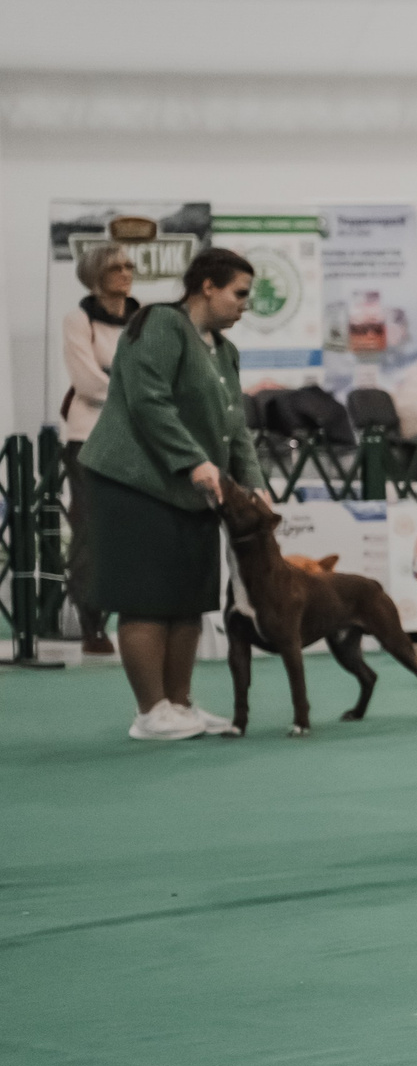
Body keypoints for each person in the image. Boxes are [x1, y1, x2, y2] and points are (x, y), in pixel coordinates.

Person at [73, 247, 265, 740]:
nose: (246, 304)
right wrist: (195, 461)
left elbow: (234, 428)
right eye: (239, 293)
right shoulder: (159, 324)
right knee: (146, 599)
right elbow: (147, 400)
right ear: (207, 287)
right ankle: (149, 713)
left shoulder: (224, 351)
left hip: (192, 486)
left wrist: (256, 486)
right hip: (134, 482)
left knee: (187, 598)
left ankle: (179, 706)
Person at [61, 242, 144, 654]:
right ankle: (91, 621)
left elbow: (159, 372)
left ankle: (133, 616)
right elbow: (88, 382)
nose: (127, 273)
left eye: (130, 266)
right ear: (96, 276)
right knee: (91, 534)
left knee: (135, 533)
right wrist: (138, 393)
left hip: (139, 441)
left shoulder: (144, 319)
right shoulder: (78, 321)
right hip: (88, 441)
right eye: (117, 267)